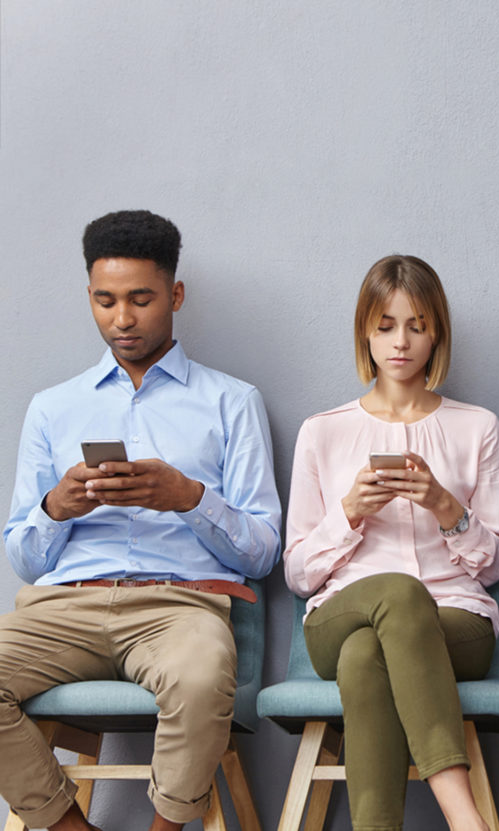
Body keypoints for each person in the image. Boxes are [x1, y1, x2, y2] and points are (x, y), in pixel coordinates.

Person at [0, 210, 281, 831]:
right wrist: (57, 508)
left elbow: (263, 552)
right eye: (104, 300)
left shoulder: (232, 402)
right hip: (63, 609)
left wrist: (188, 497)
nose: (121, 319)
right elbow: (25, 555)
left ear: (174, 295)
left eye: (140, 299)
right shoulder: (52, 408)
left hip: (179, 607)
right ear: (90, 297)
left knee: (204, 675)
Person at [283, 254, 499, 831]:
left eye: (416, 325)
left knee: (367, 657)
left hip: (457, 622)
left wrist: (445, 506)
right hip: (339, 616)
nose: (401, 342)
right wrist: (351, 513)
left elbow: (493, 565)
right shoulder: (323, 430)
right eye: (385, 326)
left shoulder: (476, 426)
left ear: (437, 333)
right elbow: (298, 573)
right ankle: (466, 818)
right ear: (365, 330)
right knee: (396, 597)